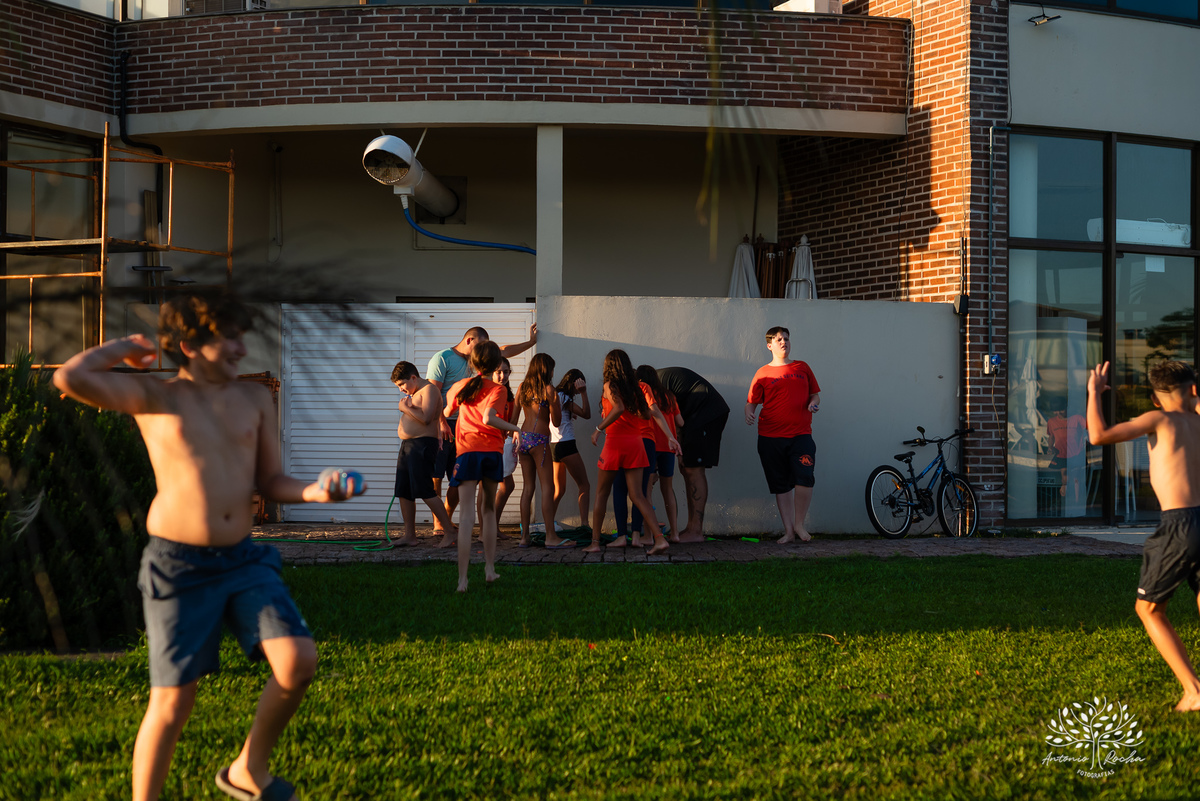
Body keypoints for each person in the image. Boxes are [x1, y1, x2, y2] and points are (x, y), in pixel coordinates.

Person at [52, 292, 364, 801]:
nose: (242, 348)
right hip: (179, 565)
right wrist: (124, 347)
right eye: (230, 338)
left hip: (243, 559)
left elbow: (271, 480)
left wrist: (315, 491)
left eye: (242, 336)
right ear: (189, 345)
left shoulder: (254, 399)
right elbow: (70, 377)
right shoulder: (157, 396)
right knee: (173, 704)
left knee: (298, 662)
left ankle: (248, 770)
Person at [1087, 360, 1200, 712]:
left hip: (1180, 523)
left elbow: (1098, 436)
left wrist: (1094, 393)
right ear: (1193, 390)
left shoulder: (1159, 419)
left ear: (1154, 398)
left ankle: (1194, 691)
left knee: (1148, 609)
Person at [426, 324, 537, 546]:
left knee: (460, 483)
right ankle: (442, 524)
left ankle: (450, 523)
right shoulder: (443, 359)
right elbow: (434, 394)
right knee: (438, 475)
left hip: (467, 429)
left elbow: (503, 351)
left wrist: (531, 342)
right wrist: (441, 423)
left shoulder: (478, 371)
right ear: (470, 341)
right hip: (450, 427)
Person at [444, 340, 523, 593]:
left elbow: (446, 411)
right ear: (495, 364)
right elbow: (490, 418)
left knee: (466, 517)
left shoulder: (460, 386)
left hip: (467, 453)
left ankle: (462, 580)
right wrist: (516, 428)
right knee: (488, 511)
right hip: (490, 453)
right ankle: (489, 569)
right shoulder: (498, 390)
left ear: (472, 362)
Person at [585, 349, 677, 556]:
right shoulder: (637, 388)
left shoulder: (610, 385)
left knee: (601, 493)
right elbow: (647, 415)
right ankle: (659, 539)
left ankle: (595, 542)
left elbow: (617, 408)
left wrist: (598, 429)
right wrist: (670, 436)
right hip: (636, 443)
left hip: (615, 443)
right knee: (638, 495)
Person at [745, 326, 821, 544]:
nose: (783, 342)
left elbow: (815, 395)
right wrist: (749, 413)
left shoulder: (802, 367)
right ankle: (788, 531)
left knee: (804, 478)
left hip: (801, 435)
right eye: (779, 339)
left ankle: (799, 525)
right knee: (781, 484)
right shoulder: (762, 373)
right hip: (770, 437)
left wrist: (813, 404)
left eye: (786, 339)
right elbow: (751, 402)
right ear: (769, 345)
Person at [657, 366, 730, 543]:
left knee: (693, 469)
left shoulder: (648, 387)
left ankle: (695, 531)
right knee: (686, 468)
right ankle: (691, 528)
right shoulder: (653, 379)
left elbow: (666, 419)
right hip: (695, 414)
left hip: (706, 412)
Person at [391, 361, 458, 546]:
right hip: (408, 445)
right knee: (404, 490)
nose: (401, 389)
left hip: (422, 445)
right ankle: (409, 535)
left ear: (413, 377)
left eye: (402, 384)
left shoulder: (429, 390)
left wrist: (405, 408)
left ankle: (449, 531)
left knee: (425, 489)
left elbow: (427, 418)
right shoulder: (414, 393)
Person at [515, 353, 575, 549]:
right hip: (539, 441)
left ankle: (524, 537)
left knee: (528, 488)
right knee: (547, 488)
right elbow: (556, 422)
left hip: (523, 438)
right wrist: (555, 403)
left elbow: (513, 419)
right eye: (552, 368)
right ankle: (550, 536)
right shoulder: (549, 390)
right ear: (546, 369)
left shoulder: (522, 388)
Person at [639, 365, 684, 544]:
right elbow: (681, 421)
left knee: (647, 490)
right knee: (668, 490)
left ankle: (649, 535)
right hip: (668, 447)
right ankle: (675, 533)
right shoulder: (669, 396)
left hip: (651, 445)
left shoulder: (643, 394)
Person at [551, 368, 592, 532]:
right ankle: (584, 524)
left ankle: (549, 522)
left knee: (559, 489)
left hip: (554, 445)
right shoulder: (566, 398)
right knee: (584, 485)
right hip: (567, 444)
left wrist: (569, 414)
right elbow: (586, 414)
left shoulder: (555, 395)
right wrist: (584, 393)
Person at [486, 357, 520, 537]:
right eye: (498, 372)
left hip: (502, 445)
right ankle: (490, 528)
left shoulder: (508, 396)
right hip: (489, 445)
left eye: (505, 372)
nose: (502, 376)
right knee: (501, 486)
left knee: (507, 485)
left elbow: (510, 423)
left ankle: (492, 527)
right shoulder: (489, 393)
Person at [1047, 397, 1088, 504]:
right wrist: (1050, 447)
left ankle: (1077, 502)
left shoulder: (1077, 418)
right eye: (1056, 411)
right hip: (1061, 453)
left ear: (1067, 408)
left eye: (1061, 410)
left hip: (1076, 452)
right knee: (1065, 478)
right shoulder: (1052, 421)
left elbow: (1088, 430)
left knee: (1076, 477)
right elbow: (1051, 436)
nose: (1059, 413)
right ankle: (1065, 500)